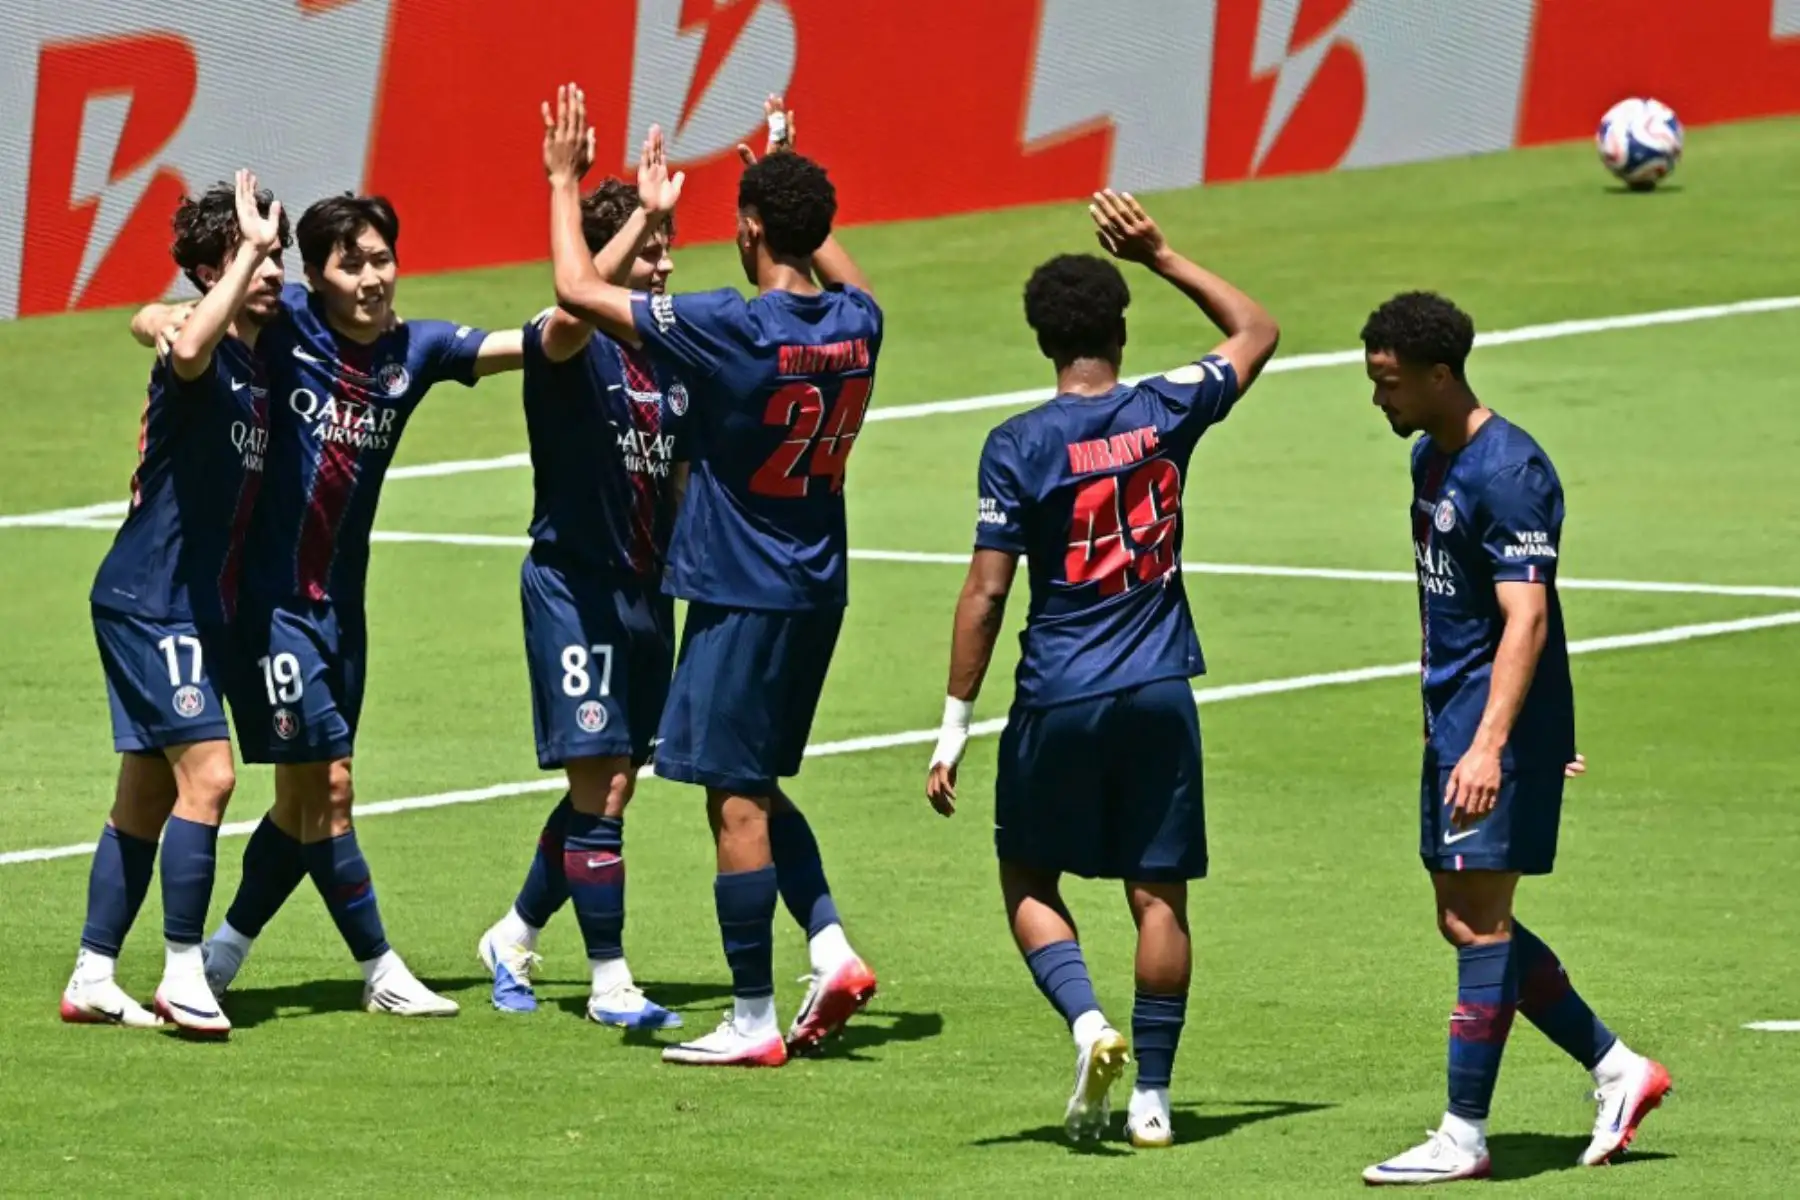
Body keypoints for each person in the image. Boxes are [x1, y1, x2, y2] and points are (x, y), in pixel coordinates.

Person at [924, 191, 1279, 1145]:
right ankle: (1154, 1100)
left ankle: (1088, 1024)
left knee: (1028, 878)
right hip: (1160, 688)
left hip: (1060, 693)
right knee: (1159, 895)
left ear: (1042, 339)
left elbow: (987, 594)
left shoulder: (1017, 445)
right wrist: (1160, 254)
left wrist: (954, 725)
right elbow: (1257, 330)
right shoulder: (1167, 408)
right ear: (1121, 330)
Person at [541, 86, 876, 1066]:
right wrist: (785, 176)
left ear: (750, 230)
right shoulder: (861, 321)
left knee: (731, 800)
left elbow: (576, 291)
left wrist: (562, 180)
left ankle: (753, 1016)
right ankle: (829, 948)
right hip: (816, 590)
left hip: (741, 594)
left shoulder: (734, 325)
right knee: (755, 782)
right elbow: (834, 262)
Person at [131, 194, 526, 1017]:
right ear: (315, 275)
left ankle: (221, 955)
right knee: (331, 788)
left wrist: (605, 309)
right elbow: (173, 317)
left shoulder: (414, 349)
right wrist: (157, 317)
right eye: (352, 264)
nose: (373, 277)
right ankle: (379, 967)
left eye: (383, 259)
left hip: (343, 609)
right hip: (270, 609)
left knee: (301, 803)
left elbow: (520, 344)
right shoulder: (285, 323)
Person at [1357, 292, 1671, 1185]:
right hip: (1454, 720)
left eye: (1389, 383)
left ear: (1440, 375)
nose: (1378, 399)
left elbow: (1526, 618)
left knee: (1480, 926)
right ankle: (1618, 1068)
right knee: (1464, 917)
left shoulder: (1511, 472)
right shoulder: (1429, 458)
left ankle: (1464, 1134)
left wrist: (1498, 745)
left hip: (1486, 731)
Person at [67, 173, 287, 1039]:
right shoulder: (197, 350)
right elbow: (184, 344)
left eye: (276, 252)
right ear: (207, 271)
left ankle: (93, 972)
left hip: (183, 606)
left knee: (146, 794)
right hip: (152, 599)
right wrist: (163, 312)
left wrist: (160, 308)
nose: (272, 269)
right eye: (251, 255)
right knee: (212, 776)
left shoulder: (258, 357)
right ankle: (185, 971)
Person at [476, 177, 687, 1030]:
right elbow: (570, 310)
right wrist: (625, 226)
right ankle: (610, 981)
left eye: (667, 247)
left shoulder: (670, 356)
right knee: (598, 783)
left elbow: (677, 481)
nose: (663, 264)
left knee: (615, 787)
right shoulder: (567, 343)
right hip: (573, 588)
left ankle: (513, 934)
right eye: (649, 249)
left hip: (647, 593)